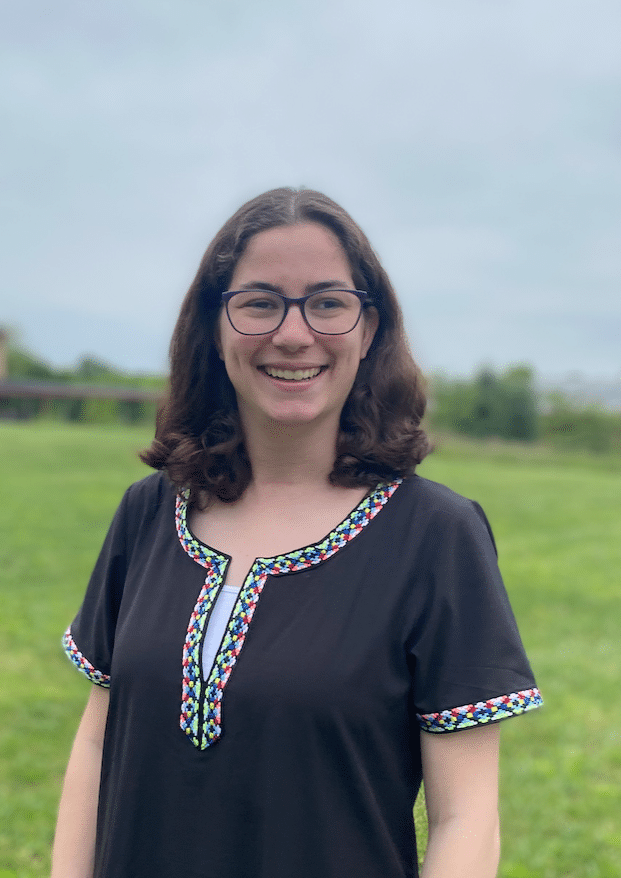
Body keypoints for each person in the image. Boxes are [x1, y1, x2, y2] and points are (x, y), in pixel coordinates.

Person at [51, 187, 543, 878]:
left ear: (369, 329)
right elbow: (100, 745)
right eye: (259, 302)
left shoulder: (436, 536)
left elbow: (467, 818)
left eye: (327, 302)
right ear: (214, 326)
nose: (292, 333)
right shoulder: (148, 514)